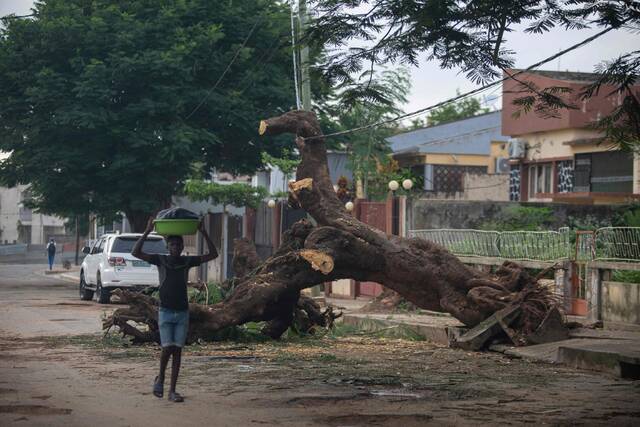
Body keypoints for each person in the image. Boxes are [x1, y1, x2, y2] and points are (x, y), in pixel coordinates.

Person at [132, 217, 218, 402]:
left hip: (182, 312)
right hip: (165, 311)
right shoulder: (160, 260)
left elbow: (213, 254)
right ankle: (161, 377)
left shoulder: (187, 262)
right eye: (172, 244)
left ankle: (172, 390)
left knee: (177, 350)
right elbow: (136, 251)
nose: (176, 247)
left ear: (182, 247)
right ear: (168, 246)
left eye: (179, 245)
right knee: (166, 348)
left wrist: (203, 232)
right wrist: (147, 230)